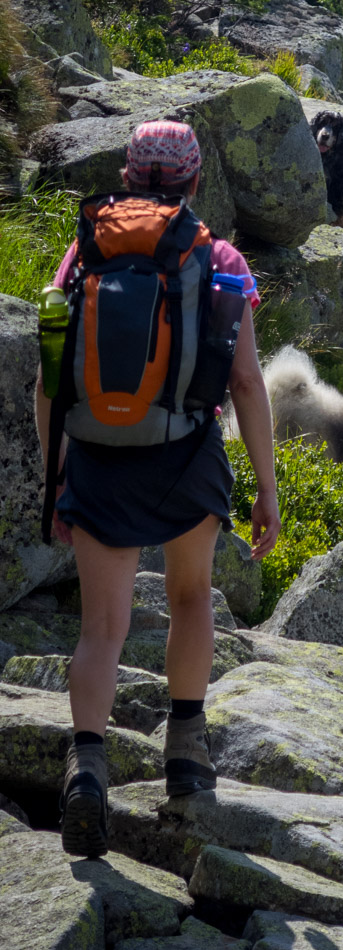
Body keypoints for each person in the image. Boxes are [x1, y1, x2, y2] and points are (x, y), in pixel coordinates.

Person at [34, 119, 281, 858]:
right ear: (196, 181)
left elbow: (51, 377)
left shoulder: (85, 251)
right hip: (185, 453)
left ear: (130, 174)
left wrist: (55, 480)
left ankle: (86, 769)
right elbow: (242, 379)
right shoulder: (221, 257)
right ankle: (184, 752)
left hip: (100, 457)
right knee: (190, 598)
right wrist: (266, 488)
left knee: (101, 628)